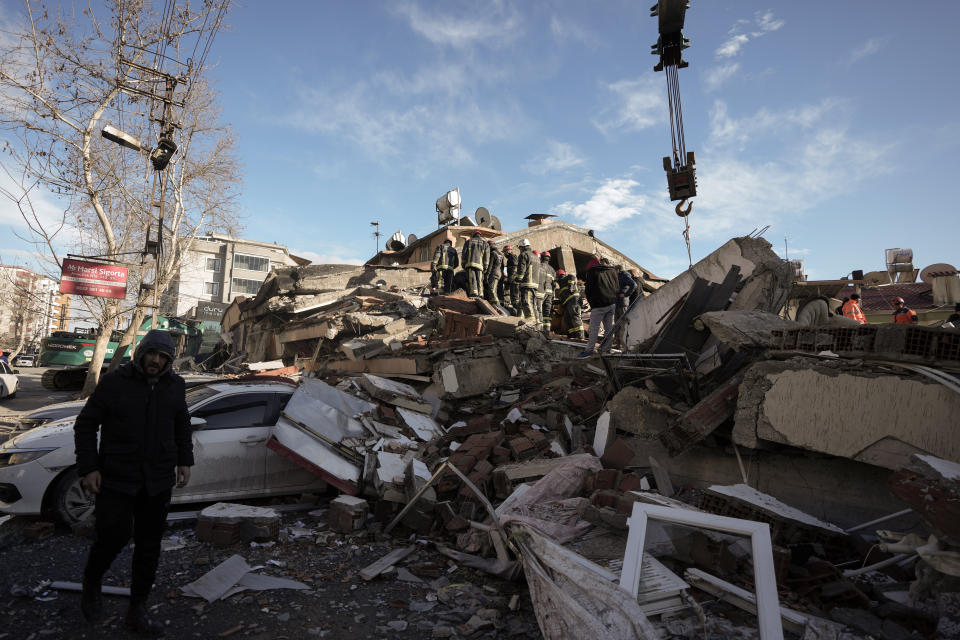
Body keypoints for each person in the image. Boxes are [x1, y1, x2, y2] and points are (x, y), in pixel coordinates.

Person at [75, 329, 193, 636]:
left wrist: (185, 460)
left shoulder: (175, 386)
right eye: (151, 354)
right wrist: (88, 467)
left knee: (149, 547)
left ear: (169, 360)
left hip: (157, 480)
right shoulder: (115, 383)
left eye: (162, 357)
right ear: (140, 354)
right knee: (112, 537)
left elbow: (182, 423)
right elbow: (85, 425)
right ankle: (91, 583)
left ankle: (137, 610)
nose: (155, 361)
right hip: (117, 477)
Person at [579, 256, 619, 357]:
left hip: (599, 304)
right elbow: (617, 287)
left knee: (594, 328)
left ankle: (589, 350)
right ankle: (606, 349)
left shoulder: (593, 271)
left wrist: (593, 303)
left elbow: (588, 290)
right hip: (611, 303)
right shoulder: (613, 271)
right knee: (609, 327)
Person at [515, 239, 540, 323]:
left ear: (522, 246)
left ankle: (531, 324)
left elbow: (521, 269)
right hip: (535, 284)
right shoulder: (536, 257)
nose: (519, 250)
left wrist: (518, 279)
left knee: (527, 303)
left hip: (527, 283)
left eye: (519, 248)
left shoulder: (523, 254)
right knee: (533, 305)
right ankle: (537, 324)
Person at [555, 269, 584, 339]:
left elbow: (572, 277)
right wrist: (556, 302)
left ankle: (580, 336)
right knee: (567, 319)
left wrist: (570, 285)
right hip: (568, 303)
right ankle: (572, 335)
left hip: (574, 301)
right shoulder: (561, 286)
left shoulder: (568, 277)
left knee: (575, 317)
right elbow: (564, 299)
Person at [461, 230, 489, 298]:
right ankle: (481, 294)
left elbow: (464, 254)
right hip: (480, 265)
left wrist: (463, 263)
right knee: (479, 279)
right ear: (480, 235)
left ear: (473, 235)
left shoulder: (468, 242)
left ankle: (474, 294)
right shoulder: (485, 243)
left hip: (470, 264)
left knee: (472, 278)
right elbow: (486, 256)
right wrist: (486, 266)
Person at [539, 251, 556, 334]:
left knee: (538, 309)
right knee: (547, 311)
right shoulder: (552, 269)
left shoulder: (540, 266)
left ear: (541, 257)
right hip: (550, 293)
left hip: (542, 291)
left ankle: (539, 329)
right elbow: (554, 284)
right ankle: (547, 330)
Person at [484, 241, 504, 306]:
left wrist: (487, 275)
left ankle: (496, 303)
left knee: (491, 289)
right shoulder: (501, 254)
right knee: (495, 289)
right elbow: (502, 266)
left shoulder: (492, 253)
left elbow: (490, 265)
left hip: (494, 273)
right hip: (499, 273)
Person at [503, 245, 519, 314]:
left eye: (504, 252)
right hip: (513, 280)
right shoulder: (510, 258)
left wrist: (509, 280)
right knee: (513, 297)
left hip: (514, 281)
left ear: (507, 251)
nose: (504, 254)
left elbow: (514, 269)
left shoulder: (512, 257)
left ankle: (517, 312)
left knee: (514, 297)